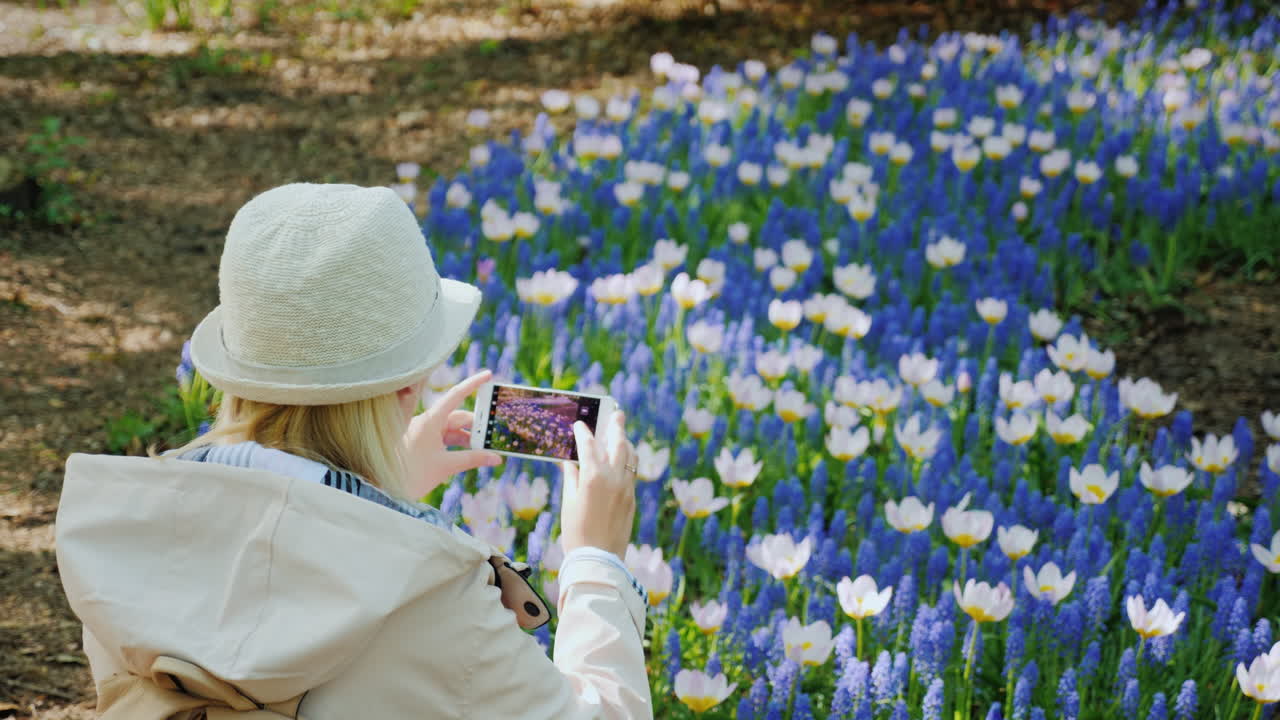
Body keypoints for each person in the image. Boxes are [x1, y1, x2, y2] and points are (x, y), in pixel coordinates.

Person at [54, 183, 653, 719]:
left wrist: (376, 496)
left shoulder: (129, 526)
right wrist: (596, 563)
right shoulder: (434, 606)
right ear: (408, 385)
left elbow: (261, 583)